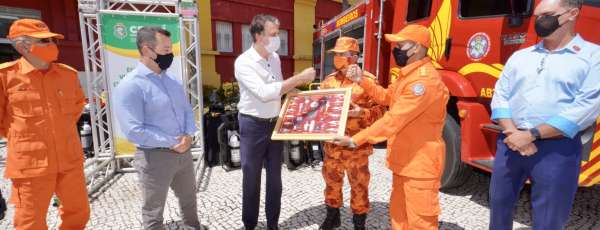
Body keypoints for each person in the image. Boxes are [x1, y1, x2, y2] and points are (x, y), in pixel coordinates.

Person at [489, 0, 600, 229]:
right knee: (498, 205)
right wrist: (513, 132)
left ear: (572, 14)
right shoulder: (521, 56)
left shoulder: (593, 56)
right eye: (537, 16)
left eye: (547, 14)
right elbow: (501, 94)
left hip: (557, 150)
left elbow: (585, 107)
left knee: (549, 218)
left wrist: (531, 135)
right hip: (510, 143)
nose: (540, 21)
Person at [332, 25, 449, 230]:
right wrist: (362, 80)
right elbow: (386, 97)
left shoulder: (423, 82)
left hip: (420, 166)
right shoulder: (407, 76)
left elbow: (394, 119)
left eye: (401, 44)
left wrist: (355, 139)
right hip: (404, 162)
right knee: (399, 218)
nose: (397, 49)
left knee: (420, 223)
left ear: (417, 48)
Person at [0, 18, 90, 229]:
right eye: (44, 41)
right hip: (31, 166)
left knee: (79, 213)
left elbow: (76, 108)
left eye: (52, 40)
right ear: (22, 46)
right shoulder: (6, 76)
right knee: (29, 221)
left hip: (69, 160)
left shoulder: (68, 75)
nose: (52, 45)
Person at [113, 27, 202, 230]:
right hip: (154, 158)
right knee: (153, 213)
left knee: (189, 203)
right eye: (166, 49)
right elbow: (134, 130)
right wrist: (173, 143)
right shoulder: (130, 86)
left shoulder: (173, 80)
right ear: (147, 50)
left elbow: (187, 110)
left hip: (184, 153)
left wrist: (188, 135)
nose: (170, 54)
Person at [234, 14, 315, 230]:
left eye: (277, 33)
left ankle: (273, 224)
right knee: (251, 178)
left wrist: (304, 94)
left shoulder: (275, 58)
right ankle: (249, 224)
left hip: (275, 123)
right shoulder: (244, 62)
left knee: (275, 178)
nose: (277, 38)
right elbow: (264, 92)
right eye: (273, 34)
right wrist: (298, 78)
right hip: (252, 125)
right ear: (259, 35)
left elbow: (279, 86)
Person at [318, 37, 383, 230]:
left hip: (357, 146)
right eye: (336, 54)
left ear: (354, 56)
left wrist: (361, 113)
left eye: (341, 54)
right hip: (333, 146)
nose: (337, 58)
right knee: (331, 183)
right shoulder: (328, 82)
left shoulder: (368, 81)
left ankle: (359, 223)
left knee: (359, 186)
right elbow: (319, 110)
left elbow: (381, 113)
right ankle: (332, 217)